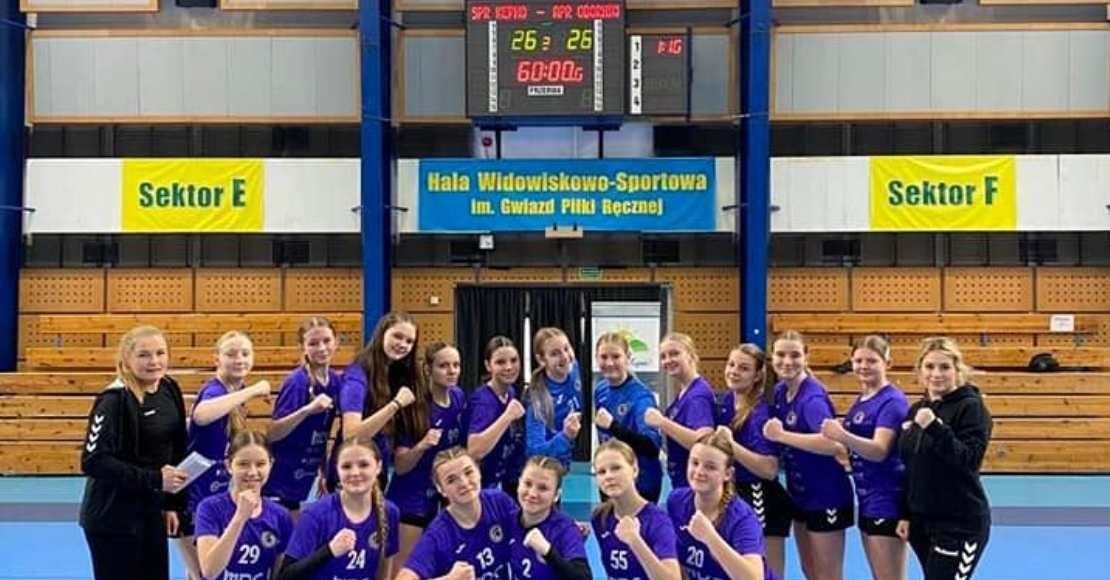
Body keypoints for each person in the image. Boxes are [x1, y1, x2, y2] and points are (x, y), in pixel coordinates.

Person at [79, 325, 188, 580]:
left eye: (160, 353)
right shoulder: (114, 400)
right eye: (144, 355)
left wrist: (172, 504)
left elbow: (176, 448)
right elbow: (93, 461)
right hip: (113, 517)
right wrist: (155, 479)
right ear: (127, 359)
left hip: (150, 511)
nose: (154, 361)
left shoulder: (169, 388)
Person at [897, 337, 992, 580]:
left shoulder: (971, 408)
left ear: (957, 370)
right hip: (922, 523)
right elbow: (910, 467)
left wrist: (935, 428)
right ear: (920, 370)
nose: (936, 374)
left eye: (944, 367)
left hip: (960, 523)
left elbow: (969, 460)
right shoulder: (916, 409)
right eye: (929, 366)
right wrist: (905, 513)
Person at [181, 331, 272, 579]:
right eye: (231, 354)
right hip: (190, 497)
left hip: (212, 491)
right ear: (217, 359)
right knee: (204, 571)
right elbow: (201, 415)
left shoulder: (234, 392)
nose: (239, 359)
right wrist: (252, 390)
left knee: (205, 568)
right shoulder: (216, 390)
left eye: (245, 353)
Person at [763, 330, 853, 580]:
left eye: (794, 355)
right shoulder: (780, 392)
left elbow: (834, 444)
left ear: (806, 357)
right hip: (800, 494)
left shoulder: (812, 398)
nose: (787, 361)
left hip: (826, 495)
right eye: (781, 355)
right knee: (810, 569)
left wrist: (783, 436)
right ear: (772, 357)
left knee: (827, 575)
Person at [819, 336, 909, 580]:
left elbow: (880, 450)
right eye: (858, 360)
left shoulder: (892, 401)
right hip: (867, 497)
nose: (863, 366)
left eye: (871, 361)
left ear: (888, 363)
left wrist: (843, 436)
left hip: (887, 498)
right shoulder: (862, 399)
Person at [386, 341, 468, 569]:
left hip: (438, 501)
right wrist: (421, 446)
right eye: (444, 366)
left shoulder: (458, 398)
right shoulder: (417, 408)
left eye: (456, 365)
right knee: (402, 569)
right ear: (428, 369)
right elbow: (400, 465)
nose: (452, 371)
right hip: (409, 500)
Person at [717, 344, 791, 579]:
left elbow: (769, 469)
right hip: (733, 493)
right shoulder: (727, 402)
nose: (734, 371)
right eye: (731, 364)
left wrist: (731, 445)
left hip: (761, 496)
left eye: (744, 368)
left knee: (767, 572)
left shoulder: (760, 413)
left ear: (757, 375)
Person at [281, 437, 400, 580]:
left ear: (378, 467)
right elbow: (285, 576)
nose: (355, 473)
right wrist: (329, 550)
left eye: (364, 465)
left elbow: (384, 569)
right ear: (337, 470)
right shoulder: (316, 515)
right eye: (346, 466)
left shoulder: (389, 512)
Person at [395, 447, 520, 580]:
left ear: (479, 472)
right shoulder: (438, 535)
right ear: (441, 490)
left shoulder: (498, 501)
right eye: (451, 480)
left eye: (468, 472)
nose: (464, 483)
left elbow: (526, 530)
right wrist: (449, 579)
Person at [334, 312, 424, 491]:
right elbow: (351, 435)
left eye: (409, 341)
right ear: (382, 333)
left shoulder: (398, 374)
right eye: (397, 336)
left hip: (377, 472)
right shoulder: (357, 375)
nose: (402, 345)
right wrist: (395, 405)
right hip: (350, 475)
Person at [666, 429, 774, 580]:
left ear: (727, 474)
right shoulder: (677, 501)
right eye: (695, 463)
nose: (699, 471)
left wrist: (710, 537)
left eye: (710, 467)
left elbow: (755, 578)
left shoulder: (742, 518)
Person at [266, 317, 341, 519]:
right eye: (313, 343)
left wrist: (324, 470)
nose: (322, 348)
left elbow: (322, 431)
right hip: (281, 475)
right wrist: (307, 410)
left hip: (306, 471)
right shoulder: (297, 382)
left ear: (336, 342)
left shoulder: (335, 381)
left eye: (327, 341)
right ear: (303, 347)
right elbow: (272, 433)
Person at [196, 430, 293, 580]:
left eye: (260, 464)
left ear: (271, 464)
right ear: (229, 466)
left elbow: (280, 571)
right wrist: (240, 517)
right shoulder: (209, 508)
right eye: (243, 464)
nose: (252, 472)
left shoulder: (280, 516)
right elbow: (209, 571)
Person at [591, 439, 681, 580]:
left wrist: (635, 541)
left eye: (616, 468)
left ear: (634, 470)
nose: (609, 476)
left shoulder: (657, 521)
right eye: (601, 472)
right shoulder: (600, 518)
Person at [593, 332, 664, 502]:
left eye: (616, 356)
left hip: (640, 482)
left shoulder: (641, 397)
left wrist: (613, 426)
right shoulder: (601, 390)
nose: (609, 363)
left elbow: (651, 446)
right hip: (610, 478)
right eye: (604, 357)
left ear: (628, 357)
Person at [644, 332, 716, 490]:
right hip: (682, 480)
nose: (668, 360)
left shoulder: (698, 396)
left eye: (674, 354)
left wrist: (662, 423)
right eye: (663, 356)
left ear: (691, 355)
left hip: (694, 484)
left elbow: (703, 442)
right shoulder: (685, 392)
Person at [513, 455, 591, 579]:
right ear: (518, 484)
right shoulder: (506, 519)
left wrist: (548, 552)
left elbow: (584, 577)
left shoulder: (565, 529)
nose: (532, 494)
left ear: (556, 495)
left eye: (543, 488)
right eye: (527, 484)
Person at [467, 335, 526, 495]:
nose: (509, 367)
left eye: (514, 360)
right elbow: (474, 450)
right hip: (480, 488)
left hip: (503, 481)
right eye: (500, 362)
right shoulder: (483, 400)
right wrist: (507, 417)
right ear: (488, 365)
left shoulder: (510, 392)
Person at [524, 327, 583, 469]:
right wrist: (566, 436)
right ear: (541, 360)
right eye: (555, 354)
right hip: (543, 469)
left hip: (566, 462)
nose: (565, 357)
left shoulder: (574, 368)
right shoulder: (538, 400)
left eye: (566, 348)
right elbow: (535, 453)